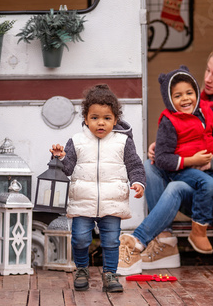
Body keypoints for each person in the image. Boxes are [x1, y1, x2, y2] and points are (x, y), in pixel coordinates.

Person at [117, 43, 213, 275]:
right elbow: (185, 137)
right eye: (207, 70)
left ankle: (137, 242)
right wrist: (163, 148)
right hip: (204, 184)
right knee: (150, 165)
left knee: (177, 187)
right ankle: (165, 242)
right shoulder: (199, 103)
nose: (207, 78)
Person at [50, 84, 146, 293]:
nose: (100, 123)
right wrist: (60, 157)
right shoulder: (76, 141)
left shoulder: (123, 142)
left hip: (113, 202)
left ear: (115, 120)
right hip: (83, 202)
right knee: (80, 238)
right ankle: (82, 269)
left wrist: (137, 183)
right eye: (94, 117)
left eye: (107, 118)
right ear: (85, 118)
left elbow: (135, 166)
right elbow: (67, 169)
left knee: (111, 241)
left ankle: (110, 274)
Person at [153, 66, 213, 256]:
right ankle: (199, 231)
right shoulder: (169, 121)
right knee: (206, 182)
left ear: (196, 93)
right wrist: (191, 160)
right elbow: (161, 158)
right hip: (185, 168)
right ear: (169, 100)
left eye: (189, 93)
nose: (185, 99)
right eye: (177, 96)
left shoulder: (208, 112)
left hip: (212, 166)